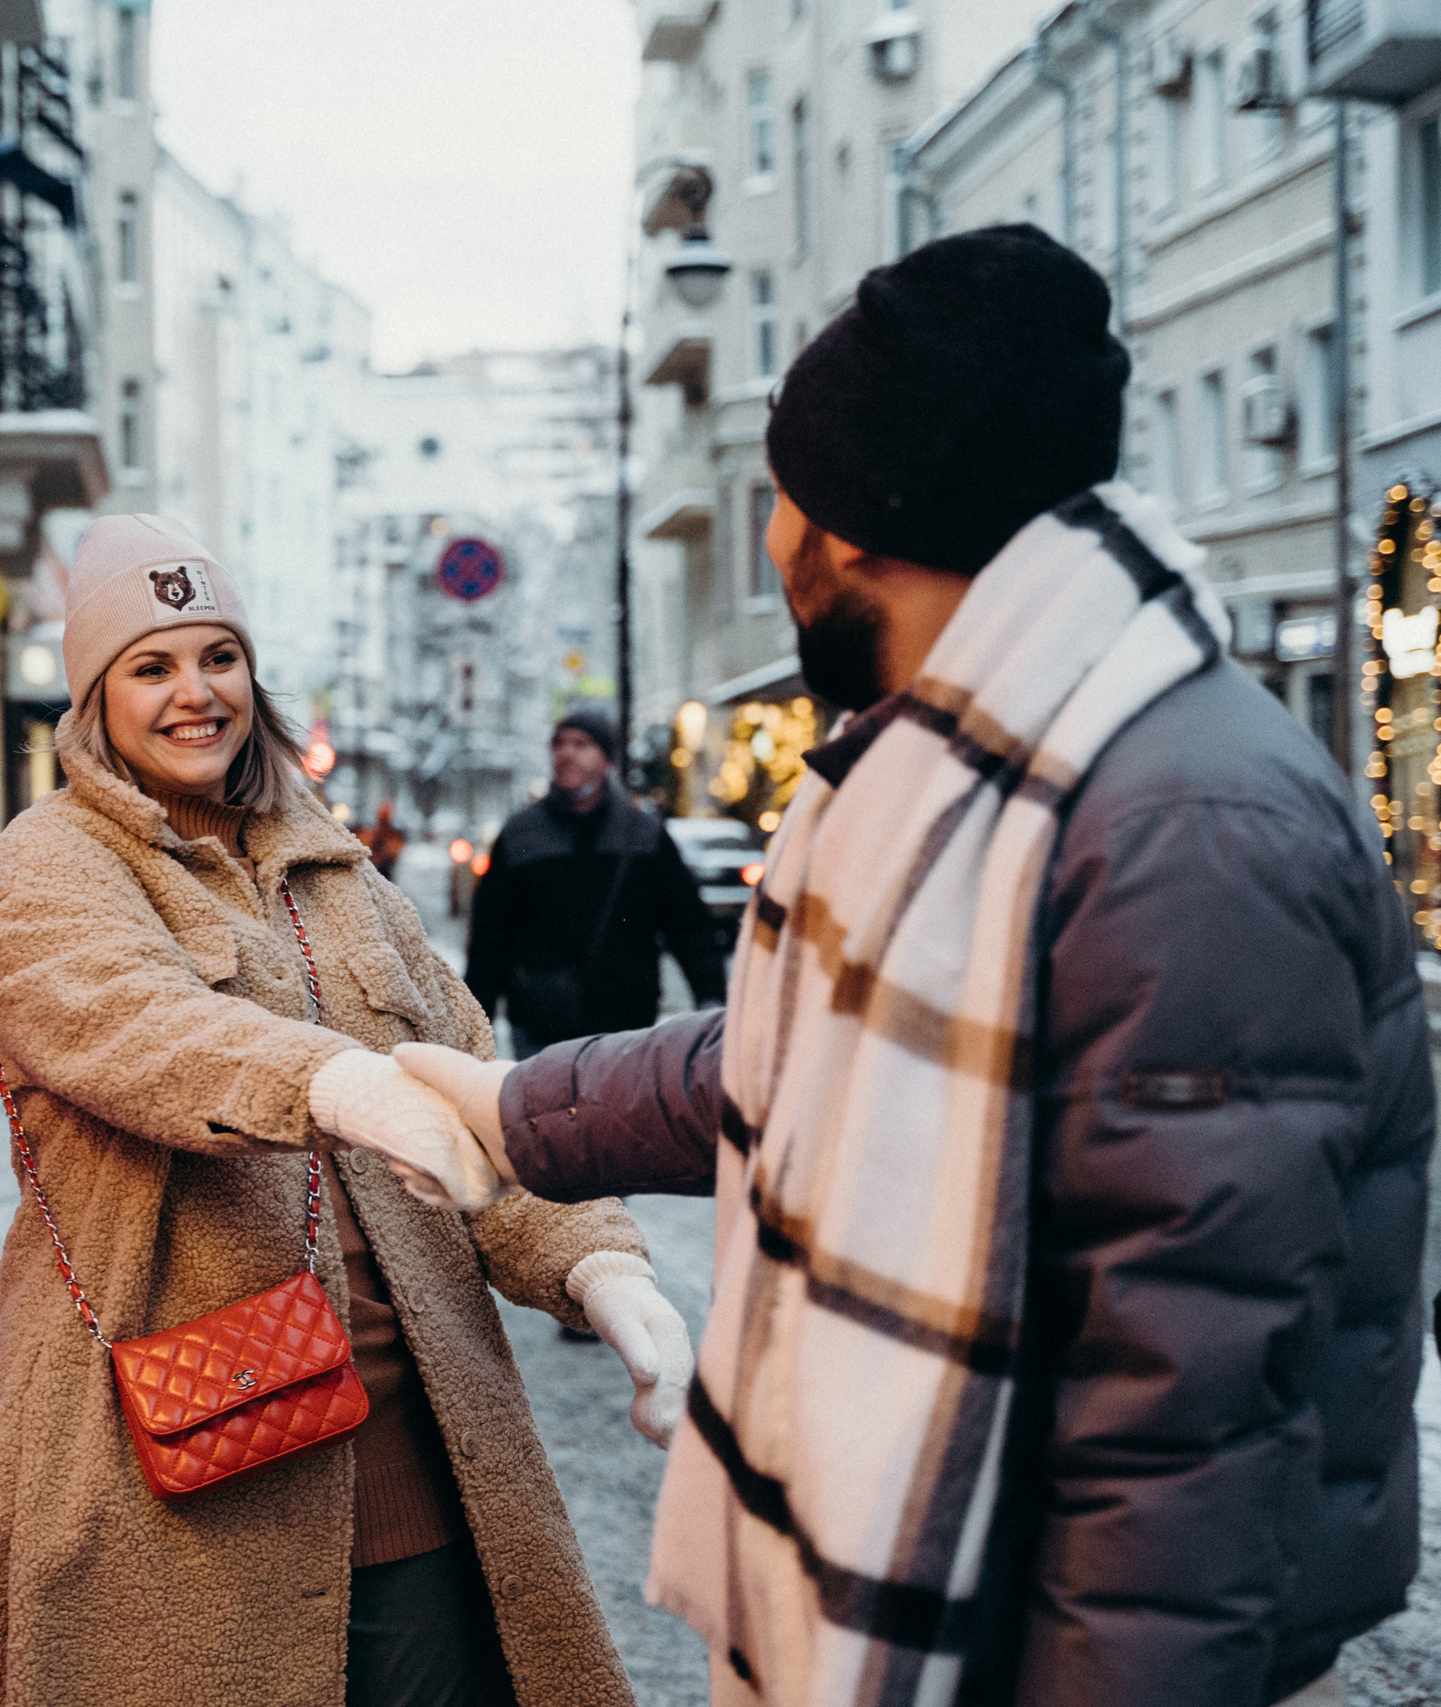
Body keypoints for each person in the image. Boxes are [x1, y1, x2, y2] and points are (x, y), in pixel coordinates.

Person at [376, 228, 1433, 1707]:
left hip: (1031, 1638)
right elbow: (802, 1053)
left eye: (780, 494)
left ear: (856, 524)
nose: (769, 540)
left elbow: (1180, 1410)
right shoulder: (963, 758)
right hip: (942, 1594)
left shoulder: (1175, 826)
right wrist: (514, 1112)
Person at [0, 513, 690, 1707]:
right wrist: (337, 1084)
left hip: (419, 1462)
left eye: (218, 657)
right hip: (178, 1477)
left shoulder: (342, 876)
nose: (194, 693)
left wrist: (601, 1268)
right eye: (150, 666)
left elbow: (472, 1083)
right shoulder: (51, 866)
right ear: (95, 697)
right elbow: (136, 1024)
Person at [463, 708, 726, 1059]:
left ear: (608, 759)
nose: (567, 753)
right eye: (559, 744)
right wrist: (473, 1029)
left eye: (582, 744)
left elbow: (688, 924)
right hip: (541, 1028)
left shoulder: (643, 834)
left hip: (625, 1029)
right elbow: (489, 939)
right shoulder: (520, 835)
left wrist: (711, 999)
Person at [357, 797, 408, 879]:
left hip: (383, 871)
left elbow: (394, 854)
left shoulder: (394, 835)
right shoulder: (368, 832)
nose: (383, 817)